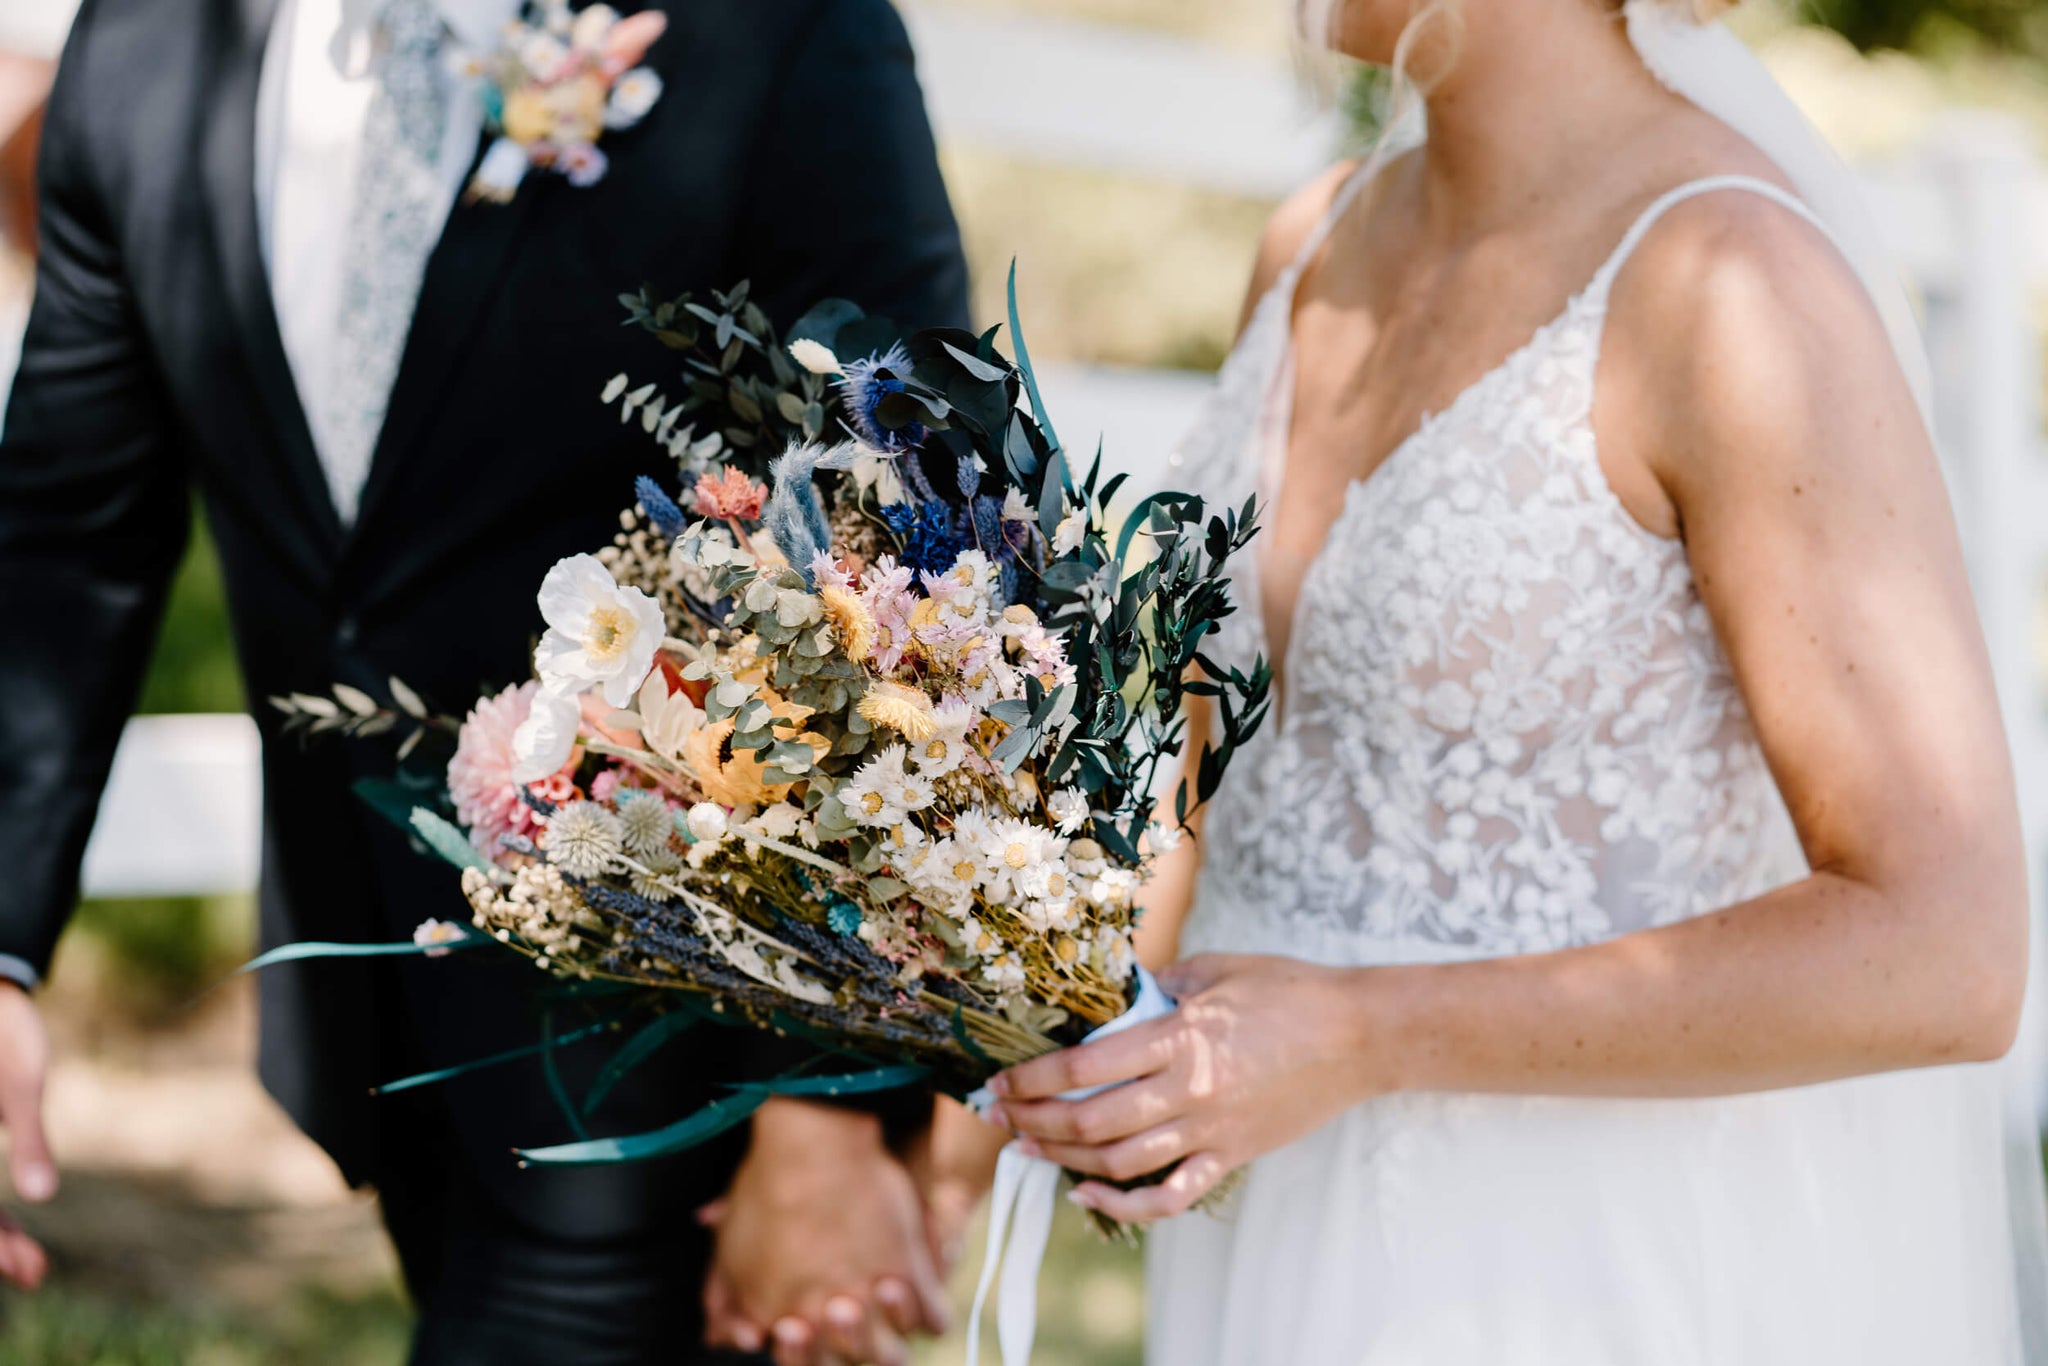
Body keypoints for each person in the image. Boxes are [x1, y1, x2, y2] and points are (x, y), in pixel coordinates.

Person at [959, 0, 2048, 1360]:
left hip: (1579, 1264)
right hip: (1266, 1227)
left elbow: (1947, 953)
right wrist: (1036, 1047)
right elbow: (1219, 768)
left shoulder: (1732, 284)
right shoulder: (1312, 249)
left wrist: (1359, 1033)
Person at [0, 0, 971, 1361]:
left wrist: (835, 1105)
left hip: (674, 1050)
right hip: (382, 1025)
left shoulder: (776, 30)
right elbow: (65, 531)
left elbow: (910, 531)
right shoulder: (150, 44)